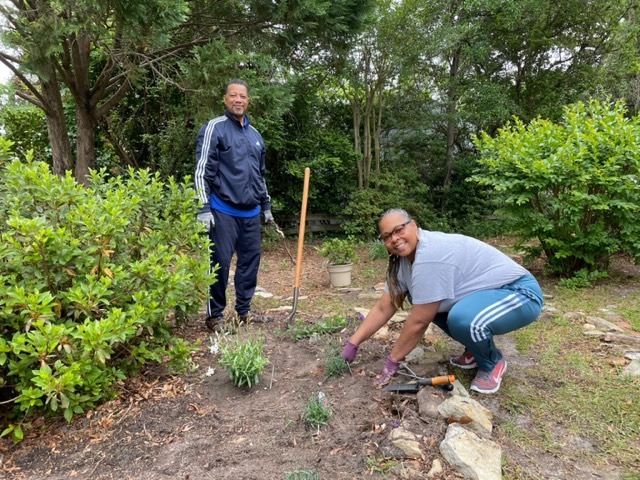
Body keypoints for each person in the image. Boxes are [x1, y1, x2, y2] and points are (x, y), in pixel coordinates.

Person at [341, 208, 543, 394]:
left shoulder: (430, 256)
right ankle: (475, 350)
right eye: (387, 236)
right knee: (422, 298)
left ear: (414, 225)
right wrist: (353, 342)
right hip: (487, 294)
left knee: (462, 318)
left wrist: (392, 361)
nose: (395, 239)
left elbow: (420, 321)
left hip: (518, 293)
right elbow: (385, 306)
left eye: (399, 230)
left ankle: (492, 362)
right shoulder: (402, 262)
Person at [194, 79, 275, 332]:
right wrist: (203, 206)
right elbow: (201, 171)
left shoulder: (255, 136)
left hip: (250, 213)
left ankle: (244, 311)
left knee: (250, 262)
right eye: (233, 95)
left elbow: (260, 175)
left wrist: (266, 206)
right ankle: (214, 316)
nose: (238, 100)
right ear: (225, 99)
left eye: (242, 96)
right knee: (219, 263)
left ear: (248, 101)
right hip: (222, 210)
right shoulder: (214, 128)